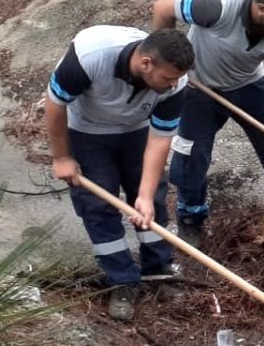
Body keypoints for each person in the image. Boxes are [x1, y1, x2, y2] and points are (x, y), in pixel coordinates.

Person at [45, 25, 195, 321]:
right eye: (167, 78)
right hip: (86, 131)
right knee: (98, 206)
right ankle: (122, 281)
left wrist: (145, 196)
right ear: (146, 64)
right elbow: (55, 104)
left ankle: (158, 270)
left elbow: (160, 139)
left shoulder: (175, 84)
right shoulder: (90, 55)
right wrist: (62, 157)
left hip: (136, 132)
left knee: (153, 202)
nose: (171, 84)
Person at [149, 0, 264, 246]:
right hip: (200, 87)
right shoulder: (216, 7)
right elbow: (162, 8)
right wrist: (169, 63)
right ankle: (191, 217)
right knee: (190, 157)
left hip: (249, 85)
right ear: (261, 9)